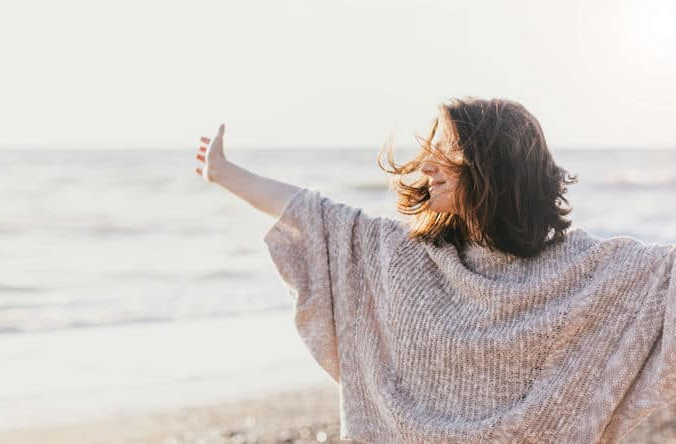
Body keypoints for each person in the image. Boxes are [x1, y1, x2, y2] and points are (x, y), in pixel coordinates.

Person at [192, 97, 675, 443]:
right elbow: (311, 216)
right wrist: (224, 173)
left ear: (492, 166)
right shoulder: (406, 257)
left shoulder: (591, 270)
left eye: (447, 151)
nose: (427, 166)